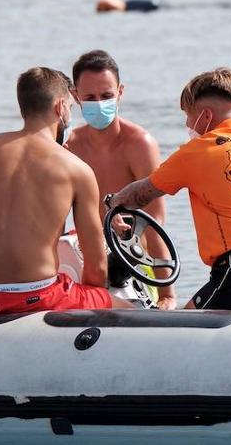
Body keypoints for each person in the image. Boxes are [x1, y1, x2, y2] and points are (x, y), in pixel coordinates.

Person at [109, 67, 231, 310]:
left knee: (184, 324)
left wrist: (113, 203)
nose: (187, 123)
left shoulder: (197, 150)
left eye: (188, 115)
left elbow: (140, 195)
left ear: (206, 115)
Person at [0, 67, 123, 317]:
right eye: (70, 107)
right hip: (37, 296)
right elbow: (96, 267)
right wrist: (93, 301)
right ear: (60, 107)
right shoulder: (77, 169)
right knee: (129, 309)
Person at [65, 49, 176, 309]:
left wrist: (167, 295)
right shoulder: (69, 146)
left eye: (106, 96)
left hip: (132, 263)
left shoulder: (139, 144)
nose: (99, 103)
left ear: (120, 92)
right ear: (75, 96)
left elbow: (155, 220)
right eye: (90, 97)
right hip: (85, 259)